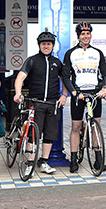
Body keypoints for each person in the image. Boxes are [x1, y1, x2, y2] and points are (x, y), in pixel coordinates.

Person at [13, 30, 67, 175]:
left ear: (53, 45)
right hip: (35, 103)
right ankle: (30, 164)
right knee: (33, 135)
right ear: (39, 45)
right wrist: (18, 92)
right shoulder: (32, 60)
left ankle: (43, 161)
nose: (46, 46)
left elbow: (65, 80)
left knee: (49, 135)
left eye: (49, 44)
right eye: (43, 44)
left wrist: (64, 96)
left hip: (52, 104)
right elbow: (20, 77)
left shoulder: (57, 62)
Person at [62, 22, 106, 173]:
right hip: (78, 94)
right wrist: (74, 92)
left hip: (95, 93)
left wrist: (104, 88)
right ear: (78, 36)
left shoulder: (97, 52)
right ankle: (74, 159)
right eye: (83, 33)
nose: (86, 36)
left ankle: (99, 159)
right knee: (76, 127)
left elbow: (105, 73)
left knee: (95, 126)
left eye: (88, 33)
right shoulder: (71, 53)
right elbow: (65, 76)